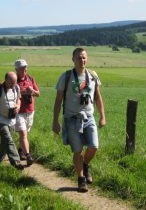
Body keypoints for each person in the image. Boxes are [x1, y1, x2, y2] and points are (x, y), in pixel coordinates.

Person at [53, 47, 106, 193]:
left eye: (84, 57)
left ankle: (85, 165)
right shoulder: (66, 76)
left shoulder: (93, 76)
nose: (82, 60)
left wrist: (102, 116)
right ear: (73, 59)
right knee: (77, 150)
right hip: (72, 119)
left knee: (94, 146)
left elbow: (98, 97)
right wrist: (55, 121)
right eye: (78, 58)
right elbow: (58, 100)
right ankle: (81, 179)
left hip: (89, 117)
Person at [0, 72, 23, 170]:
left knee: (5, 142)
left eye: (15, 82)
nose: (13, 84)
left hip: (12, 120)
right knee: (8, 139)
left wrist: (18, 106)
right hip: (0, 119)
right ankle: (16, 161)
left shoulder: (16, 88)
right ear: (5, 80)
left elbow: (19, 100)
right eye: (11, 82)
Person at [14, 59, 40, 166]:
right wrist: (24, 92)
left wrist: (32, 91)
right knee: (23, 134)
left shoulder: (31, 78)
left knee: (25, 134)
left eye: (25, 67)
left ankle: (21, 151)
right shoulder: (13, 80)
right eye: (22, 67)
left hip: (30, 111)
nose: (25, 69)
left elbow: (38, 93)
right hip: (19, 112)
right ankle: (28, 156)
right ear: (16, 69)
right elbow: (10, 94)